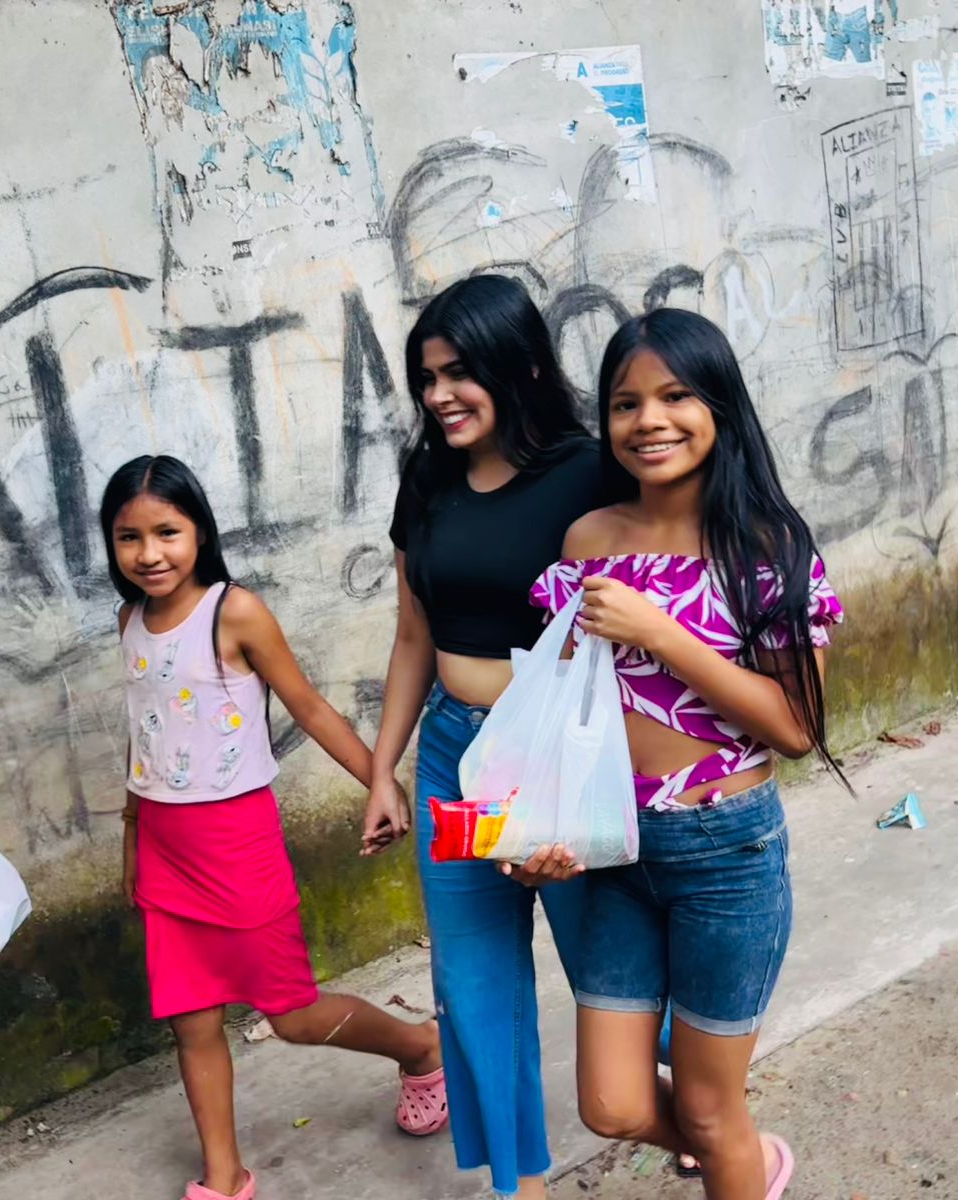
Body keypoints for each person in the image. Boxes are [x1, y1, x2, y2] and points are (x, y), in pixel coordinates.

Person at [532, 309, 845, 1200]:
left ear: (720, 406)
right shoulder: (588, 541)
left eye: (676, 396)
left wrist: (663, 633)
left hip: (727, 856)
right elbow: (567, 706)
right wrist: (539, 828)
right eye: (626, 403)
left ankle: (737, 1159)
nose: (650, 420)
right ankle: (751, 1158)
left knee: (709, 1113)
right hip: (615, 852)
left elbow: (795, 727)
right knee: (613, 1104)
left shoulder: (765, 546)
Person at [101, 455, 447, 1200]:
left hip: (238, 846)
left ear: (200, 531)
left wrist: (380, 782)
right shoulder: (129, 619)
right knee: (192, 1024)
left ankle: (420, 1047)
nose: (150, 553)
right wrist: (131, 834)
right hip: (165, 848)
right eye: (129, 537)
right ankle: (225, 1177)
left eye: (167, 531)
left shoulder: (236, 612)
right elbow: (143, 733)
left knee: (291, 1014)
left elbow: (311, 707)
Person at [361, 274, 609, 1200]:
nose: (439, 396)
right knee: (474, 987)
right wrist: (383, 771)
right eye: (427, 378)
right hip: (452, 760)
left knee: (608, 970)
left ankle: (698, 1118)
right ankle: (520, 1186)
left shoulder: (591, 472)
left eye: (460, 372)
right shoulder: (426, 480)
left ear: (522, 365)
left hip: (558, 759)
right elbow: (413, 635)